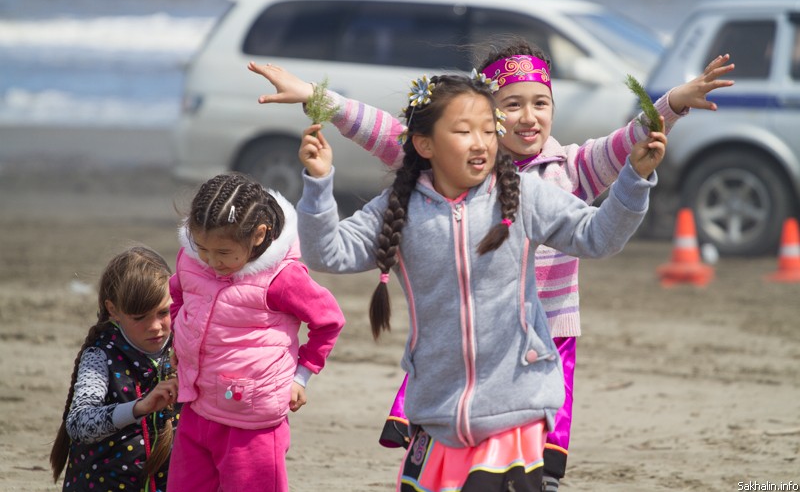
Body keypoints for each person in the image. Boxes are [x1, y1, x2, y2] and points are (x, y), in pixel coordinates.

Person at [248, 43, 734, 490]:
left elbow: (630, 152)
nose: (527, 117)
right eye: (510, 105)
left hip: (535, 353)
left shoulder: (563, 173)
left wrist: (671, 106)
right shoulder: (433, 171)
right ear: (432, 141)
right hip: (448, 365)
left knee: (536, 468)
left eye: (540, 103)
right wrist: (315, 106)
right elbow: (374, 127)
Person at [166, 172, 346, 492]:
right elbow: (177, 296)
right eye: (202, 247)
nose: (210, 260)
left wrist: (301, 377)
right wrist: (180, 342)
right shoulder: (191, 261)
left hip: (253, 420)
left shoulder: (282, 277)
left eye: (223, 253)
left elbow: (328, 321)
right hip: (195, 408)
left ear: (260, 235)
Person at [49, 246, 179, 492]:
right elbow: (79, 424)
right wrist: (139, 407)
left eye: (163, 312)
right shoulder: (100, 355)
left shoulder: (186, 349)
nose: (155, 327)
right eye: (140, 317)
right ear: (113, 310)